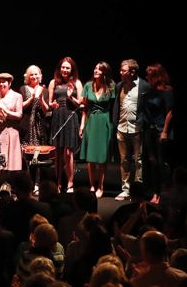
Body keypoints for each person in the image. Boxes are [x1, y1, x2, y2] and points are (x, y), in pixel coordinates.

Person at [112, 59, 150, 201]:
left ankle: (138, 190)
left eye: (124, 71)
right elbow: (117, 105)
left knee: (138, 160)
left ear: (132, 72)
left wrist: (143, 123)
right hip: (122, 128)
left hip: (136, 129)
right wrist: (115, 123)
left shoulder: (144, 86)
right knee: (124, 160)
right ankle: (126, 190)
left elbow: (148, 108)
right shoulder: (120, 85)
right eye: (121, 70)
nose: (120, 73)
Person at [79, 61, 116, 199]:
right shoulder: (88, 85)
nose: (96, 71)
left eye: (99, 69)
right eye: (95, 68)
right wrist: (82, 125)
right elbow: (85, 108)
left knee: (102, 157)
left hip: (104, 121)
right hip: (91, 121)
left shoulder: (111, 86)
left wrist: (113, 125)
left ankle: (101, 185)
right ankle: (92, 185)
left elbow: (114, 108)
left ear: (104, 73)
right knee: (91, 157)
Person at [48, 56, 83, 193]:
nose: (65, 70)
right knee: (58, 152)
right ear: (59, 68)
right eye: (63, 67)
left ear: (72, 69)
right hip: (57, 116)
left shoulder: (77, 83)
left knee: (68, 152)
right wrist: (52, 105)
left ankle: (70, 183)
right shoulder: (53, 82)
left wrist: (70, 96)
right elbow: (51, 103)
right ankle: (58, 182)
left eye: (68, 67)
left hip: (70, 116)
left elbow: (79, 103)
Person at [142, 63, 174, 197]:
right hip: (150, 130)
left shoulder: (167, 91)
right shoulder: (150, 91)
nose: (146, 77)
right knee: (152, 161)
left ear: (156, 76)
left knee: (162, 162)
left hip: (161, 129)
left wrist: (165, 131)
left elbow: (170, 112)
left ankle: (164, 192)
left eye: (149, 75)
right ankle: (155, 192)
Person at [0, 73, 23, 172]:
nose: (1, 84)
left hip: (12, 131)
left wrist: (6, 111)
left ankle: (11, 183)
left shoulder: (17, 96)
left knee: (12, 162)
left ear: (9, 84)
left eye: (4, 82)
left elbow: (19, 115)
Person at [19, 65, 49, 145]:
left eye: (36, 74)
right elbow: (20, 106)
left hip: (40, 125)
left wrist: (41, 99)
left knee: (39, 152)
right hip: (26, 124)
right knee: (26, 151)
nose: (34, 76)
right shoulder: (23, 89)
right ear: (28, 77)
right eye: (31, 75)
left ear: (40, 76)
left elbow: (46, 110)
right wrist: (31, 98)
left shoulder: (45, 91)